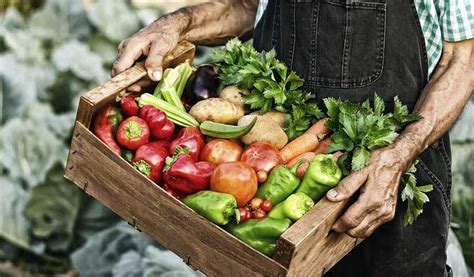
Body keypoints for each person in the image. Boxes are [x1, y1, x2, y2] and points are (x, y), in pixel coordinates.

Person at [112, 1, 474, 276]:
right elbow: (245, 7)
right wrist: (176, 25)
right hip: (274, 181)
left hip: (386, 184)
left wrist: (398, 156)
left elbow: (462, 59)